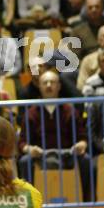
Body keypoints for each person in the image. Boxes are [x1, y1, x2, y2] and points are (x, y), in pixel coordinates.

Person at [18, 71, 91, 200]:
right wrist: (30, 149)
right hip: (40, 156)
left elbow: (82, 137)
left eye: (52, 82)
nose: (49, 85)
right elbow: (22, 142)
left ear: (59, 86)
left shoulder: (70, 110)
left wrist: (81, 145)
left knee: (86, 160)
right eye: (45, 83)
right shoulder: (31, 113)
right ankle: (28, 201)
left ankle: (86, 200)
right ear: (39, 86)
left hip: (67, 155)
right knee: (24, 161)